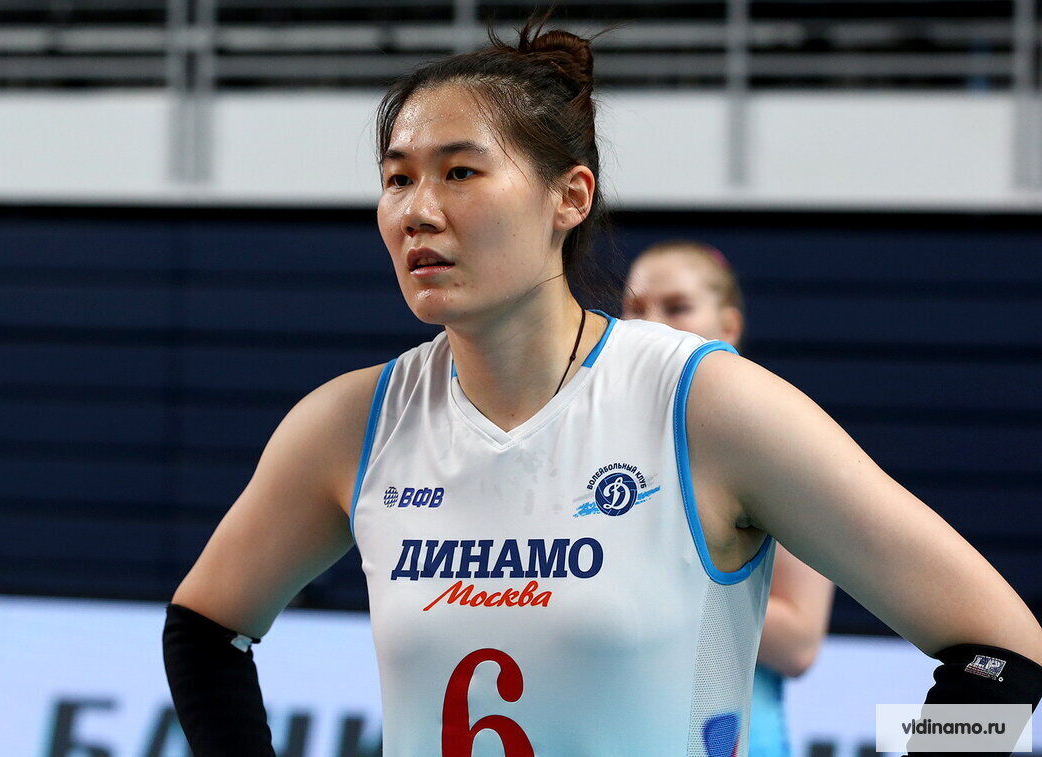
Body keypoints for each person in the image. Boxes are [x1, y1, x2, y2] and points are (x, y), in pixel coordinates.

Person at [162, 10, 1042, 756]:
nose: (418, 210)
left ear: (570, 196)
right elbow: (205, 630)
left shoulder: (705, 403)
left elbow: (1003, 650)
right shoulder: (350, 421)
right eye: (397, 178)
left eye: (459, 171)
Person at [623, 241, 835, 756]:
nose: (652, 324)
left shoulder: (776, 443)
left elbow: (800, 643)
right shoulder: (601, 444)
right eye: (635, 308)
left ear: (729, 326)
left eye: (677, 307)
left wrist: (643, 578)